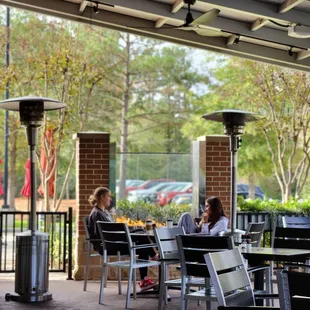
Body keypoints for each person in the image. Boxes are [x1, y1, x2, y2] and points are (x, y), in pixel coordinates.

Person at [88, 186, 158, 291]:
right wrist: (127, 234)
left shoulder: (103, 212)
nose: (110, 199)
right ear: (102, 197)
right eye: (109, 197)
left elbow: (112, 233)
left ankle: (145, 279)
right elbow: (109, 235)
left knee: (142, 239)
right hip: (110, 246)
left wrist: (130, 232)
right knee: (142, 240)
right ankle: (154, 258)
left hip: (114, 242)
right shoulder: (97, 214)